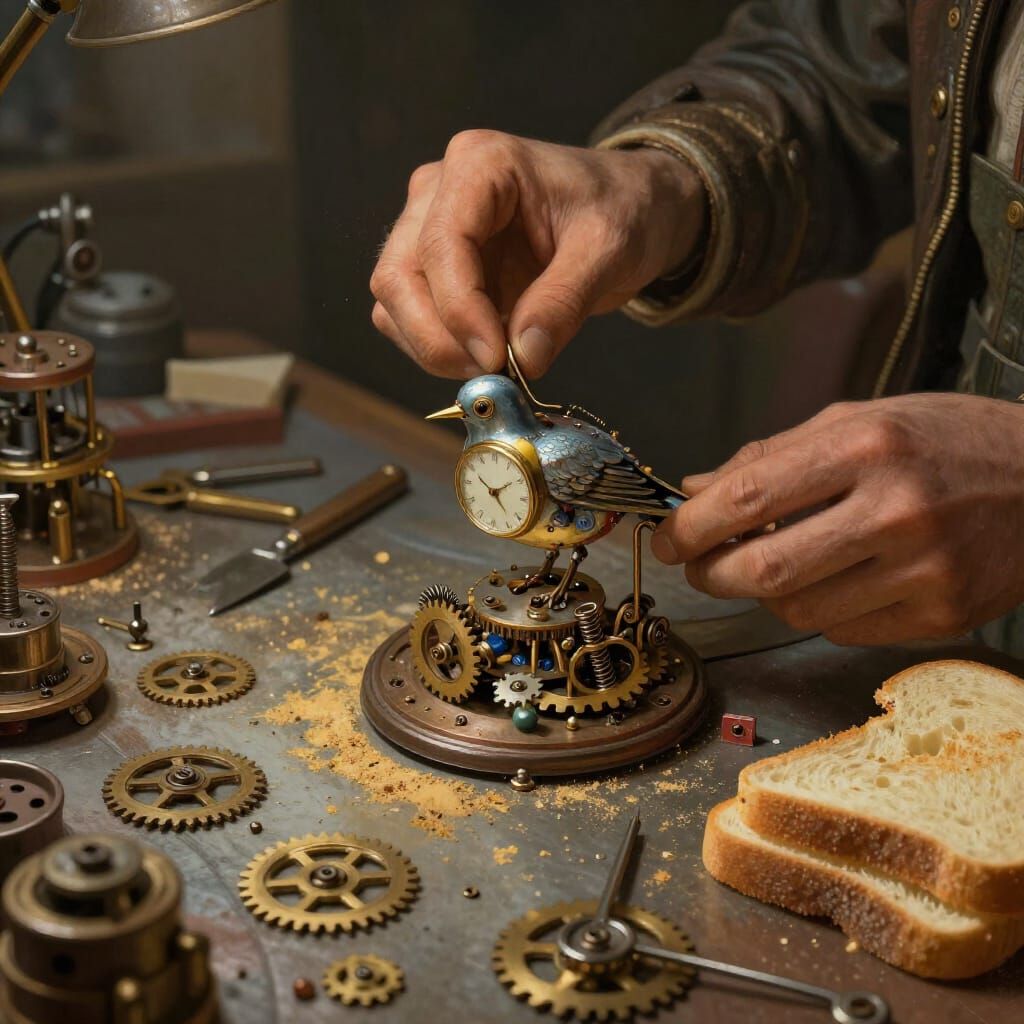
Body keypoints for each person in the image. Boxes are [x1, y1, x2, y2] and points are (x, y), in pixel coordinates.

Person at [369, 1, 1024, 651]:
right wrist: (662, 181)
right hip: (933, 585)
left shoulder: (552, 456)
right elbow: (839, 71)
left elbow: (617, 485)